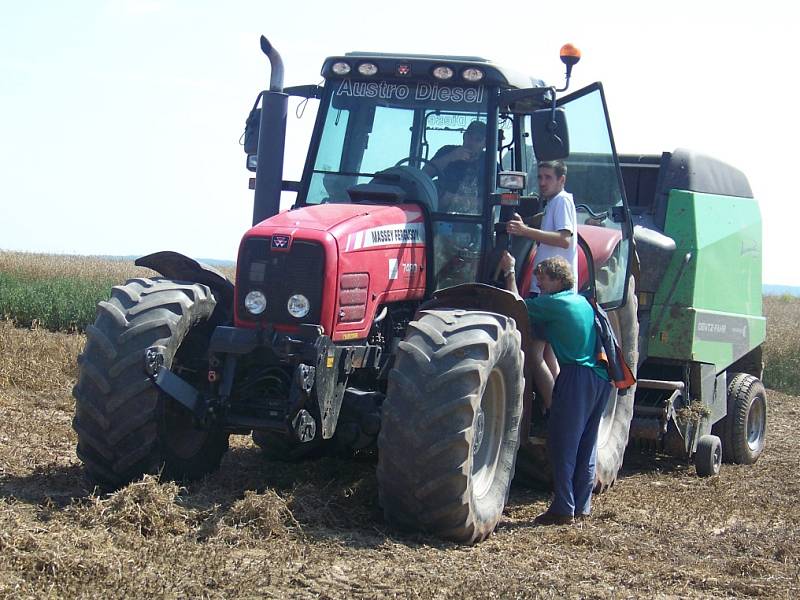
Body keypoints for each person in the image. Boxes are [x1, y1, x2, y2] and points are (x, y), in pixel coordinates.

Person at [499, 252, 611, 525]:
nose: (540, 286)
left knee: (563, 443)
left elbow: (516, 306)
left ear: (558, 280)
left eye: (543, 280)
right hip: (600, 378)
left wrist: (510, 272)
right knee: (586, 444)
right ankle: (581, 506)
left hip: (576, 377)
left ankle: (563, 508)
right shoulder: (582, 302)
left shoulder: (556, 304)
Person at [505, 160, 577, 412]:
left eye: (548, 177)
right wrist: (526, 221)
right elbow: (547, 222)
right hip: (548, 288)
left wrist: (524, 231)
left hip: (551, 291)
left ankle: (556, 410)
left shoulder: (562, 201)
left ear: (561, 180)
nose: (543, 182)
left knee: (535, 355)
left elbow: (563, 239)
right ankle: (561, 406)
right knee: (547, 355)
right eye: (540, 177)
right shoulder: (554, 204)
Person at [423, 120, 486, 213]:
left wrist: (453, 199)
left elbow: (488, 202)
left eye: (478, 139)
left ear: (485, 143)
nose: (471, 142)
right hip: (438, 216)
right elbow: (424, 175)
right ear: (464, 136)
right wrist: (451, 157)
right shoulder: (447, 151)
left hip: (475, 221)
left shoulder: (489, 163)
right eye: (469, 137)